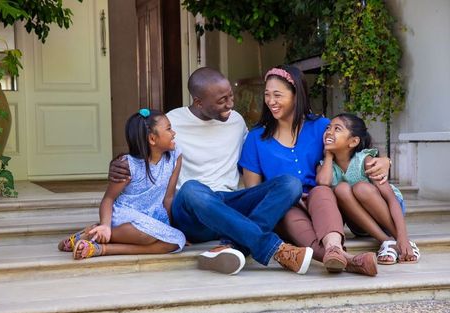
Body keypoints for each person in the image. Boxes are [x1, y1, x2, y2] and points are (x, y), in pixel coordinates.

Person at [109, 67, 314, 276]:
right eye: (222, 100)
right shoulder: (174, 121)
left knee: (290, 184)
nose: (230, 105)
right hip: (192, 212)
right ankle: (275, 249)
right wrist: (120, 163)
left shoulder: (236, 121)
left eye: (230, 97)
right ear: (199, 102)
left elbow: (257, 158)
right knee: (191, 189)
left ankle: (234, 248)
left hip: (230, 205)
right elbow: (147, 153)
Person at [238, 65, 392, 276]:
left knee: (322, 191)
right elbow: (253, 192)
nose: (270, 101)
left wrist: (385, 160)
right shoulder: (256, 138)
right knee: (289, 212)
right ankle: (348, 260)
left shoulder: (321, 126)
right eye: (267, 95)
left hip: (321, 202)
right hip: (284, 206)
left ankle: (334, 248)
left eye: (277, 95)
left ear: (296, 95)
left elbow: (354, 151)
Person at [58, 109, 186, 259]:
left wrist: (169, 228)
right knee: (145, 236)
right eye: (169, 129)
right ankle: (95, 233)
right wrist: (106, 224)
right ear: (152, 138)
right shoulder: (127, 165)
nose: (174, 133)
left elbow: (168, 198)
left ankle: (100, 248)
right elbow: (108, 199)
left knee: (177, 242)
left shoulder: (175, 157)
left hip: (153, 217)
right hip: (126, 216)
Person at [317, 113, 420, 265]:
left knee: (361, 188)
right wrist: (328, 155)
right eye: (328, 128)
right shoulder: (326, 166)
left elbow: (391, 198)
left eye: (337, 129)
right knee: (341, 189)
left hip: (388, 215)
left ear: (353, 142)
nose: (329, 132)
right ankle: (387, 242)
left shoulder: (365, 160)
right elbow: (323, 182)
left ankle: (400, 241)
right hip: (361, 224)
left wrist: (403, 236)